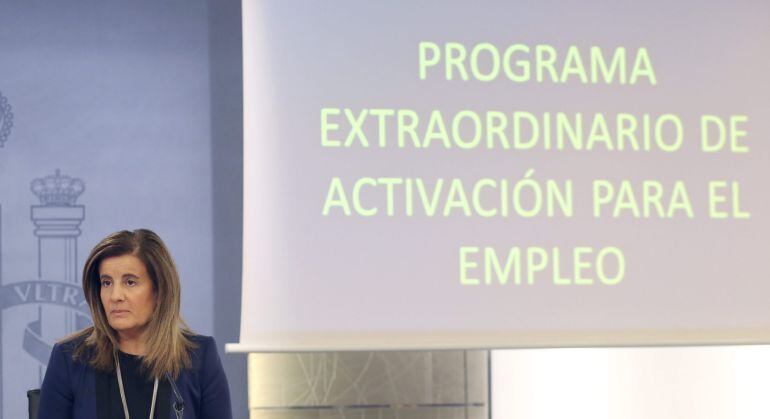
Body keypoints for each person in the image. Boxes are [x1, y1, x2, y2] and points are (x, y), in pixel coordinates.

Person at [38, 229, 232, 419]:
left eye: (130, 282)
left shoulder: (199, 357)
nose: (115, 296)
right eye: (106, 283)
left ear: (159, 291)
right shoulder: (71, 358)